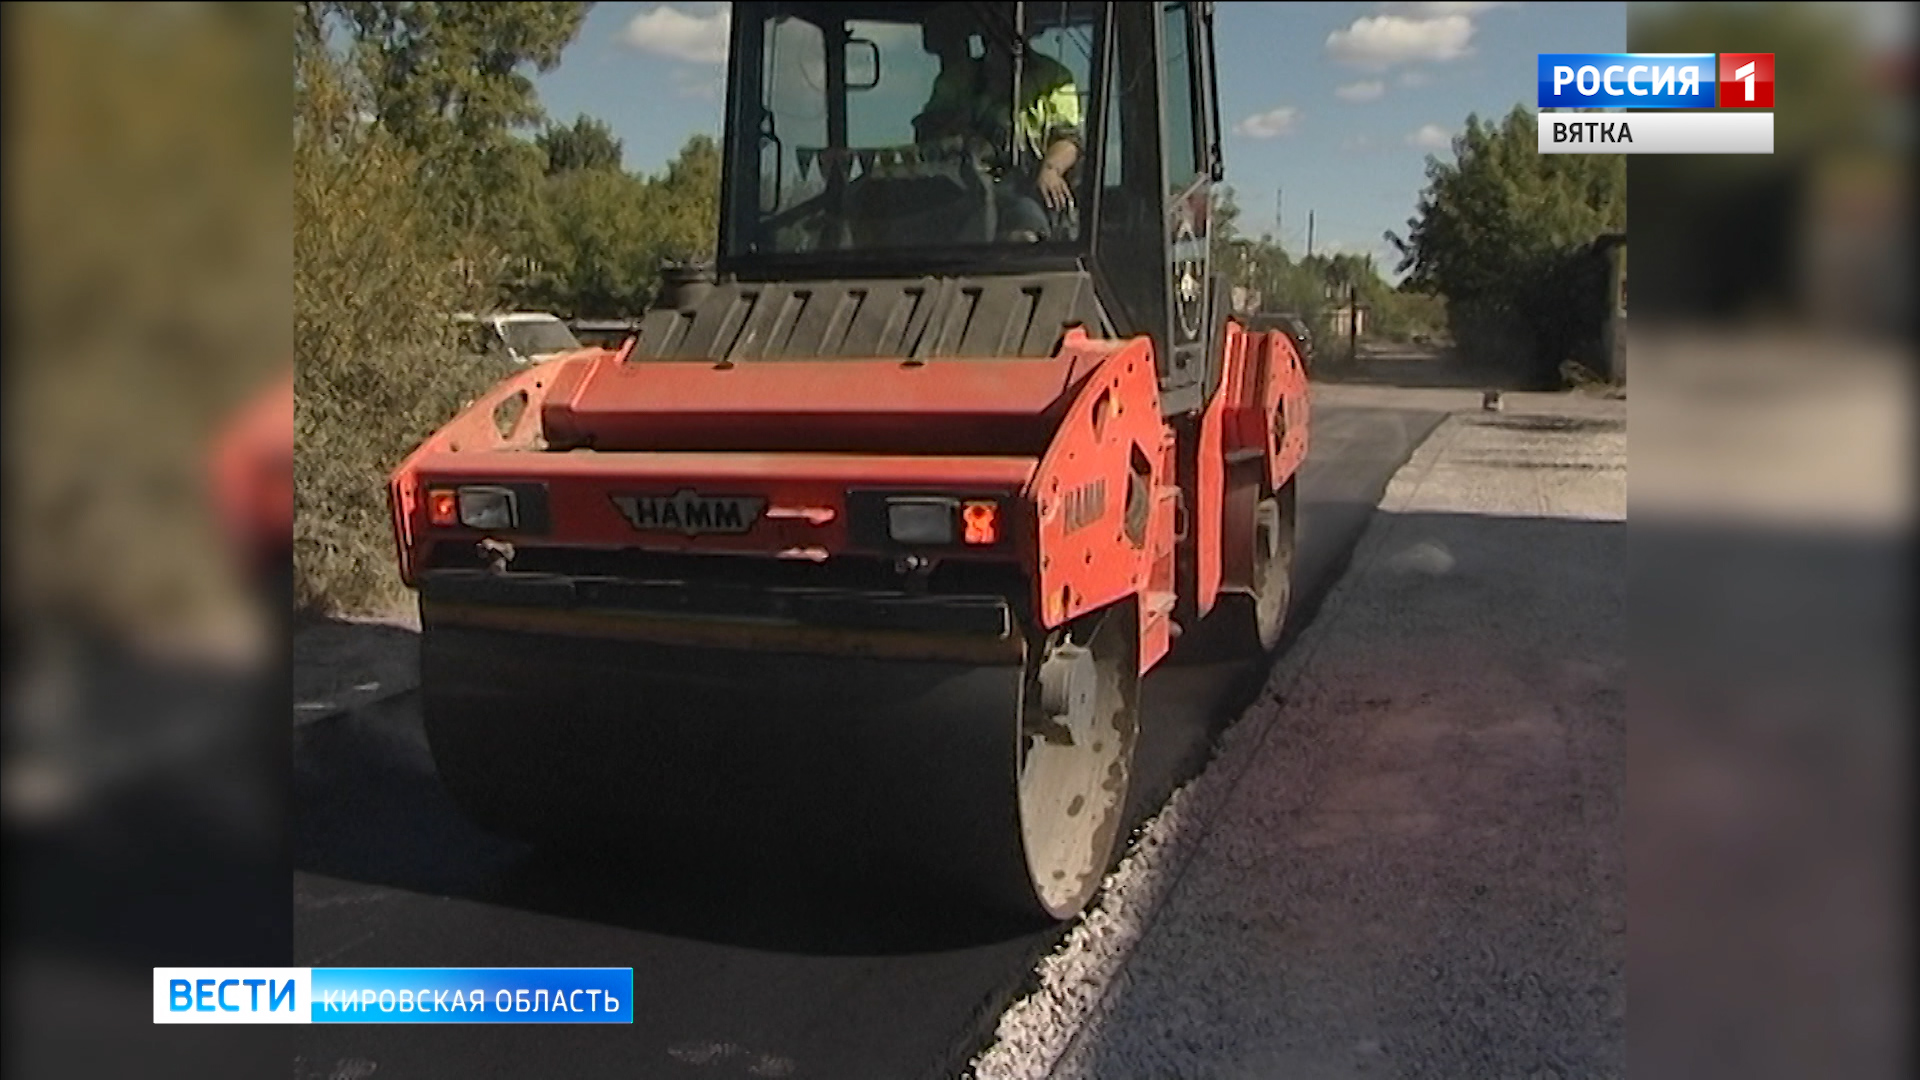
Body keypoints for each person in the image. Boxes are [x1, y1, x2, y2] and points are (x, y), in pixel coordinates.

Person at [911, 7, 1082, 242]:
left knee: (1025, 227)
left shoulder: (1053, 78)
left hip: (1025, 189)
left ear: (1030, 27)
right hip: (958, 190)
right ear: (983, 28)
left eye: (1014, 21)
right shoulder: (957, 78)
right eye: (996, 21)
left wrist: (1051, 170)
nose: (1006, 31)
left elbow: (1068, 139)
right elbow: (928, 132)